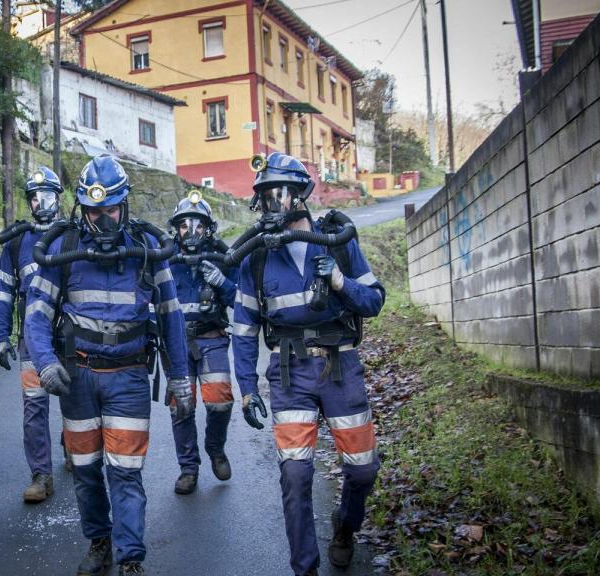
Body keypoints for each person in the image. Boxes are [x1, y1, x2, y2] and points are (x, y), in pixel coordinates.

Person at [24, 155, 191, 576]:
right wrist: (44, 364)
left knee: (126, 472)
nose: (102, 219)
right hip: (76, 378)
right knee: (84, 470)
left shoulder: (149, 250)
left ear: (125, 206)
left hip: (130, 378)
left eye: (110, 209)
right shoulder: (63, 247)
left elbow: (171, 318)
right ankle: (100, 542)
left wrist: (181, 379)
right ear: (82, 208)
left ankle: (130, 557)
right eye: (94, 211)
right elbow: (37, 315)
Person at [231, 153, 384, 576]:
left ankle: (345, 527)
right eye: (263, 197)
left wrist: (338, 279)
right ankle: (305, 569)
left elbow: (373, 301)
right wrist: (246, 390)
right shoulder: (255, 258)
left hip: (341, 368)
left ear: (301, 195)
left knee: (363, 468)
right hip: (289, 373)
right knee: (295, 477)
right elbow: (243, 331)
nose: (271, 204)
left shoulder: (338, 240)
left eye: (279, 193)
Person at [0, 166, 63, 503]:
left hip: (71, 337)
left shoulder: (74, 234)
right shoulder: (17, 242)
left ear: (59, 198)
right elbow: (3, 292)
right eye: (34, 198)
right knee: (34, 406)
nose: (40, 203)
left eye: (46, 196)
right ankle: (41, 475)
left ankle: (79, 451)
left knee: (77, 401)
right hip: (31, 341)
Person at [166, 191, 238, 495]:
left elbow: (243, 301)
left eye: (198, 224)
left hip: (212, 340)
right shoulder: (166, 261)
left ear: (209, 229)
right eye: (184, 225)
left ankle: (215, 448)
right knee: (181, 407)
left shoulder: (222, 259)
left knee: (220, 401)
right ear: (176, 229)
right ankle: (188, 469)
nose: (191, 231)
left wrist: (222, 282)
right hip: (178, 345)